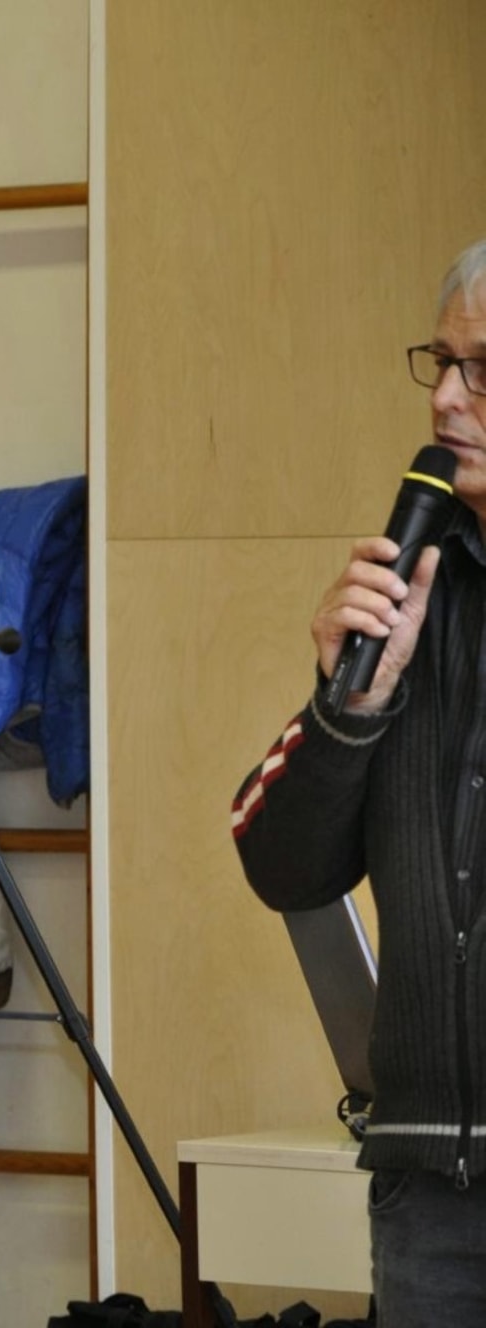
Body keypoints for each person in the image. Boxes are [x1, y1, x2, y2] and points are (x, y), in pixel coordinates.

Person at [232, 236, 486, 1321]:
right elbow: (282, 867)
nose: (444, 399)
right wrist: (351, 704)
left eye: (482, 370)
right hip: (429, 1186)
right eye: (440, 361)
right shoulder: (410, 590)